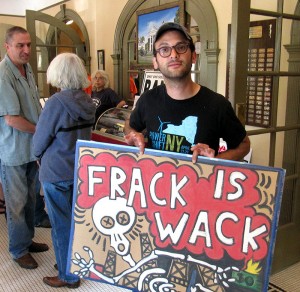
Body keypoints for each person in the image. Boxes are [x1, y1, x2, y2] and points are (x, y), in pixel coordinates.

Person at [124, 22, 250, 162]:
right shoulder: (147, 100)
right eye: (164, 49)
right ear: (155, 62)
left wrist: (214, 162)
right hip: (157, 182)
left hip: (200, 183)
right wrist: (133, 134)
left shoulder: (218, 105)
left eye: (181, 47)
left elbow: (244, 146)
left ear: (194, 56)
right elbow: (130, 125)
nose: (173, 54)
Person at [33, 52, 96, 288]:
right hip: (79, 170)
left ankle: (67, 275)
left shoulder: (56, 103)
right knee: (76, 222)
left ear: (57, 74)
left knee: (60, 224)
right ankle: (70, 262)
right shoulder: (88, 100)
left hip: (56, 171)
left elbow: (40, 139)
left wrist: (37, 156)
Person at [0, 26, 49, 270]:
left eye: (29, 45)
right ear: (7, 47)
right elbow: (12, 119)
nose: (27, 50)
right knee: (17, 204)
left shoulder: (27, 68)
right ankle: (18, 249)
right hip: (14, 153)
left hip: (31, 149)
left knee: (30, 199)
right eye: (20, 45)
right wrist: (44, 131)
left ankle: (27, 240)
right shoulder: (3, 75)